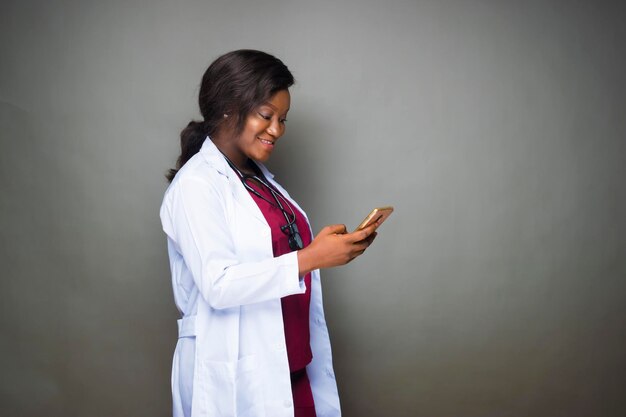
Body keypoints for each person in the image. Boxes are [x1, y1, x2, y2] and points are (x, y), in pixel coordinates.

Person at [160, 49, 378, 417]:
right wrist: (312, 257)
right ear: (229, 108)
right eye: (266, 116)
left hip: (292, 367)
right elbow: (219, 284)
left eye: (283, 119)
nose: (277, 130)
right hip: (243, 377)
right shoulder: (196, 184)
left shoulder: (259, 180)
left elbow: (276, 252)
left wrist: (328, 247)